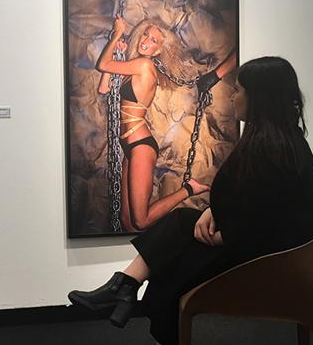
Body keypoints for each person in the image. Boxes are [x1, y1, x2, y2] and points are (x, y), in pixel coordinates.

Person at [69, 56, 313, 345]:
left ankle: (128, 295)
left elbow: (272, 220)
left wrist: (226, 234)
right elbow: (250, 201)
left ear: (258, 98)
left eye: (239, 90)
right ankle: (126, 286)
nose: (232, 96)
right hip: (252, 243)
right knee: (181, 222)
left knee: (171, 268)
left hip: (269, 261)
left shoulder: (273, 150)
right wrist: (214, 212)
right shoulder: (272, 142)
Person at [96, 16, 237, 232]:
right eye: (145, 35)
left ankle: (188, 189)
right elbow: (104, 88)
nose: (146, 41)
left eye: (153, 40)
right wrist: (116, 50)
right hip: (129, 146)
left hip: (141, 145)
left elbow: (102, 64)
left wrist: (116, 34)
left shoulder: (145, 65)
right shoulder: (133, 68)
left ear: (158, 51)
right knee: (127, 221)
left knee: (141, 220)